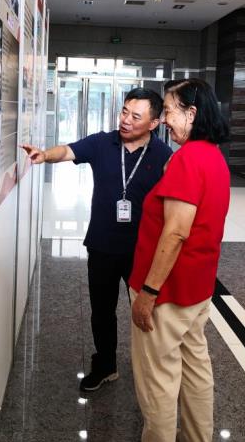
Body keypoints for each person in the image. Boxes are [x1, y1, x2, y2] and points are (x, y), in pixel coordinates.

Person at [116, 78, 230, 442]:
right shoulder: (213, 157)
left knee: (158, 381)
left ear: (191, 113)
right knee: (196, 367)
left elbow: (176, 232)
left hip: (168, 292)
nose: (164, 119)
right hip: (197, 289)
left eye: (168, 110)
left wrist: (148, 292)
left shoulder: (186, 160)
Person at [22, 87, 172, 391]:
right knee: (102, 311)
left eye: (136, 116)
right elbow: (68, 151)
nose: (126, 120)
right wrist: (45, 155)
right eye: (124, 112)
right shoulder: (103, 142)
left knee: (146, 313)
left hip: (142, 250)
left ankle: (151, 373)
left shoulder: (163, 156)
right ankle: (105, 365)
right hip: (102, 244)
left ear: (154, 123)